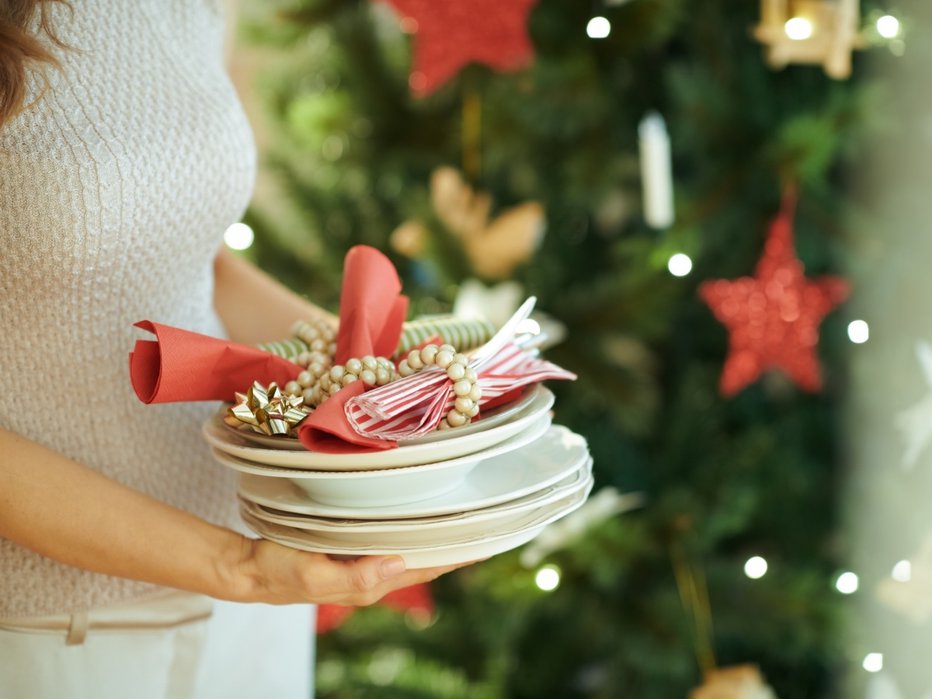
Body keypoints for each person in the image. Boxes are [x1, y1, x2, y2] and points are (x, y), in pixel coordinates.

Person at [0, 2, 466, 696]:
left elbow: (196, 261)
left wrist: (379, 370)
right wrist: (234, 564)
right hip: (63, 630)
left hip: (252, 590)